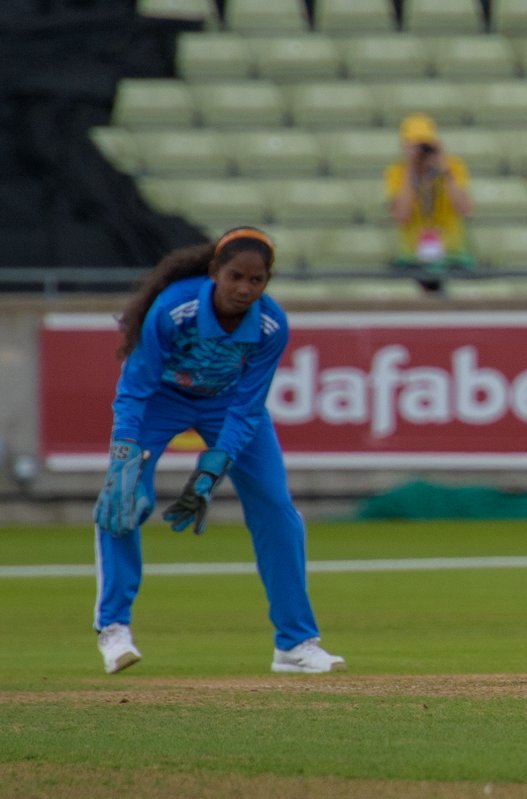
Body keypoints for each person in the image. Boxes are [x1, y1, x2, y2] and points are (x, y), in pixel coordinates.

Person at [92, 226, 345, 675]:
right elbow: (135, 388)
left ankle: (295, 643)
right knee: (122, 500)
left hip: (227, 404)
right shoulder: (176, 308)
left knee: (276, 509)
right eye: (235, 277)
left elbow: (249, 407)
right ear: (215, 272)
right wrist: (126, 454)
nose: (244, 289)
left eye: (256, 281)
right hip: (160, 400)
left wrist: (211, 471)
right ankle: (114, 630)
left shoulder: (271, 325)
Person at [385, 112, 474, 293]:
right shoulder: (397, 172)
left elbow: (465, 209)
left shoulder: (453, 167)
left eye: (425, 145)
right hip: (412, 258)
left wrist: (445, 170)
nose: (422, 152)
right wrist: (411, 170)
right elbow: (401, 215)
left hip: (452, 255)